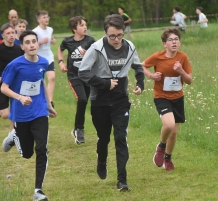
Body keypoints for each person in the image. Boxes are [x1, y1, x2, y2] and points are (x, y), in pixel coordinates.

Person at [79, 14, 144, 191]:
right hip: (99, 101)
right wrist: (105, 83)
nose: (116, 39)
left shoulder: (129, 46)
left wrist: (140, 84)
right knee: (104, 138)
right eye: (112, 36)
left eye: (119, 35)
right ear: (105, 33)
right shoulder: (96, 48)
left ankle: (122, 180)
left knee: (120, 138)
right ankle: (101, 160)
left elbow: (138, 67)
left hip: (120, 101)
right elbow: (83, 73)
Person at [0, 30, 57, 201]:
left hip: (39, 111)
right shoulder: (15, 65)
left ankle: (38, 191)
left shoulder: (44, 62)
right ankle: (14, 136)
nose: (32, 45)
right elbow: (4, 87)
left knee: (41, 149)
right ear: (23, 46)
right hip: (21, 113)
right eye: (28, 42)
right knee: (27, 154)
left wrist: (48, 105)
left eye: (34, 41)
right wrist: (19, 97)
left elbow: (41, 82)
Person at [142, 28, 192, 171]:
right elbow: (142, 66)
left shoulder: (182, 57)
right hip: (161, 96)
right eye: (171, 40)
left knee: (174, 132)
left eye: (176, 39)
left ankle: (168, 159)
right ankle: (161, 147)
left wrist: (181, 71)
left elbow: (189, 81)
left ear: (180, 42)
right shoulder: (158, 57)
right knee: (169, 125)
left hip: (177, 97)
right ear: (164, 44)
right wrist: (152, 76)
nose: (174, 42)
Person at [58, 16, 95, 145]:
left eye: (85, 24)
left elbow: (97, 55)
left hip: (88, 76)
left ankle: (76, 129)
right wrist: (61, 62)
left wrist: (89, 54)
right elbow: (60, 49)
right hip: (74, 76)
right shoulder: (67, 41)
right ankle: (79, 129)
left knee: (86, 102)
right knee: (82, 99)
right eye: (81, 25)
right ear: (74, 29)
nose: (85, 27)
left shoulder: (90, 41)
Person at [33, 10, 56, 108]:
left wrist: (52, 41)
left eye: (47, 17)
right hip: (39, 58)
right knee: (41, 80)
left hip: (49, 57)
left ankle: (49, 101)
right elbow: (33, 46)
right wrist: (41, 42)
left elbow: (51, 39)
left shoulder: (50, 29)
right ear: (38, 20)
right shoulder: (35, 31)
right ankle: (43, 100)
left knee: (52, 77)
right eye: (44, 17)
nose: (46, 19)